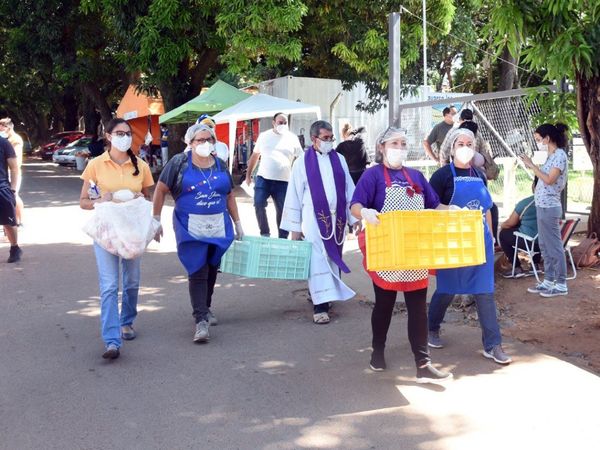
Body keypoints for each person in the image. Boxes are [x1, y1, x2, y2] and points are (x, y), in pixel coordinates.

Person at [350, 127, 453, 382]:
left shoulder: (416, 177)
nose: (400, 148)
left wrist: (453, 210)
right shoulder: (372, 176)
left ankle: (423, 364)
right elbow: (355, 205)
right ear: (382, 147)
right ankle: (377, 351)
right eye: (394, 143)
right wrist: (364, 213)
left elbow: (434, 204)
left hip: (414, 252)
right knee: (384, 305)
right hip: (386, 252)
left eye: (404, 143)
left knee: (418, 308)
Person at [427, 128, 511, 365]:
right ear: (451, 148)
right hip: (451, 242)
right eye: (460, 143)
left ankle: (493, 345)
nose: (465, 147)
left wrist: (492, 236)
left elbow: (486, 208)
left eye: (469, 144)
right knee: (447, 289)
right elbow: (431, 208)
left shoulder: (480, 175)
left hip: (479, 241)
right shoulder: (442, 176)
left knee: (485, 291)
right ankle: (431, 327)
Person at [153, 124, 243, 342]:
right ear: (190, 143)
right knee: (198, 268)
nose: (205, 144)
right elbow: (161, 189)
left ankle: (206, 306)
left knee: (212, 267)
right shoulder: (179, 163)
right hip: (189, 226)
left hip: (218, 225)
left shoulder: (220, 164)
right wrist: (155, 219)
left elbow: (229, 195)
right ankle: (200, 320)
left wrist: (238, 222)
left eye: (209, 139)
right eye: (200, 140)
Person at [79, 118, 154, 359]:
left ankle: (127, 321)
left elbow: (148, 201)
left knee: (131, 282)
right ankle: (112, 340)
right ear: (108, 136)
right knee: (110, 285)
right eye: (119, 133)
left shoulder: (141, 166)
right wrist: (101, 201)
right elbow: (83, 202)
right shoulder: (95, 165)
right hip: (107, 233)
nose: (125, 137)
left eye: (128, 133)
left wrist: (153, 225)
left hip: (131, 232)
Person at [280, 120, 359, 324]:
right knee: (318, 258)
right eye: (325, 138)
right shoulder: (301, 163)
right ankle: (320, 306)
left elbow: (348, 189)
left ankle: (328, 294)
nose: (330, 141)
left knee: (333, 256)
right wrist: (295, 228)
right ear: (314, 139)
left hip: (337, 217)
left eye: (331, 138)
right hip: (313, 218)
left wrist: (354, 218)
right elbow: (294, 194)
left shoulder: (339, 159)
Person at [520, 123, 570, 297]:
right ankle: (549, 280)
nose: (538, 142)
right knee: (544, 245)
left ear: (547, 138)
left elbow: (549, 179)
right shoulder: (552, 156)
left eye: (539, 139)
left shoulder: (559, 156)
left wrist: (532, 165)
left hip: (550, 207)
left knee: (554, 245)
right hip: (542, 206)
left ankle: (561, 283)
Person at [245, 112, 303, 238]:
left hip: (284, 181)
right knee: (258, 203)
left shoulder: (292, 138)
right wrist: (248, 174)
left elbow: (301, 159)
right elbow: (255, 156)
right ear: (273, 123)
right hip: (263, 179)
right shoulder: (264, 136)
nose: (282, 125)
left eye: (285, 123)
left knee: (282, 210)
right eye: (280, 122)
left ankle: (283, 236)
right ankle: (265, 233)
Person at [499, 178, 540, 278]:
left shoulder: (526, 203)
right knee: (537, 232)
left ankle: (516, 267)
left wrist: (502, 225)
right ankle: (535, 264)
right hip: (550, 244)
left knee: (503, 234)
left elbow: (510, 223)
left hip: (531, 244)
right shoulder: (555, 204)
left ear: (534, 186)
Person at [0, 135, 21, 263]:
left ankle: (14, 247)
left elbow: (14, 167)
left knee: (8, 223)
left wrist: (13, 189)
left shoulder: (4, 143)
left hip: (2, 187)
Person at [0, 118, 24, 226]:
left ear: (7, 127)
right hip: (5, 172)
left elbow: (17, 160)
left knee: (14, 196)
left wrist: (12, 173)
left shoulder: (15, 140)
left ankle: (19, 221)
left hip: (12, 172)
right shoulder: (7, 139)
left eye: (1, 126)